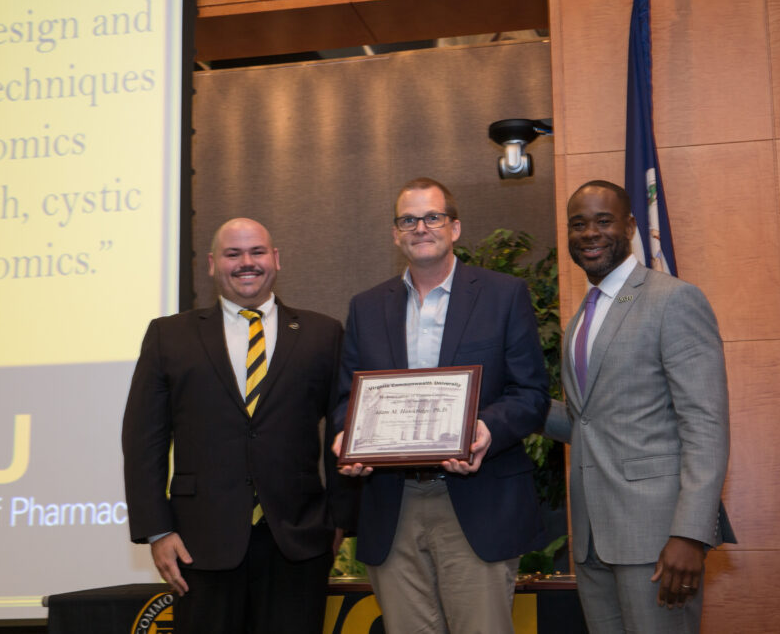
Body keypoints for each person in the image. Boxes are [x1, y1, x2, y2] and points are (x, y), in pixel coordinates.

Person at [332, 178, 550, 633]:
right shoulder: (367, 307)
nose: (420, 227)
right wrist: (344, 437)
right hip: (393, 505)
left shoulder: (503, 295)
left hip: (478, 501)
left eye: (432, 217)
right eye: (408, 220)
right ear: (395, 234)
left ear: (454, 228)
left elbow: (531, 394)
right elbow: (345, 400)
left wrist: (487, 429)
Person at [122, 218, 355, 634]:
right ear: (213, 264)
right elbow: (143, 443)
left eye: (257, 252)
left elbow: (344, 429)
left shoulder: (323, 333)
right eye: (233, 254)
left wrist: (339, 518)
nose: (246, 263)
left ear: (276, 260)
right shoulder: (168, 337)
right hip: (200, 543)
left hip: (298, 539)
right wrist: (157, 530)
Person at [546, 180, 735, 633]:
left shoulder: (672, 299)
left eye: (603, 221)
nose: (589, 232)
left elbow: (705, 424)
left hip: (657, 539)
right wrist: (508, 401)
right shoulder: (579, 321)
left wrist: (690, 534)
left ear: (630, 226)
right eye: (578, 224)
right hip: (593, 539)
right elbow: (586, 422)